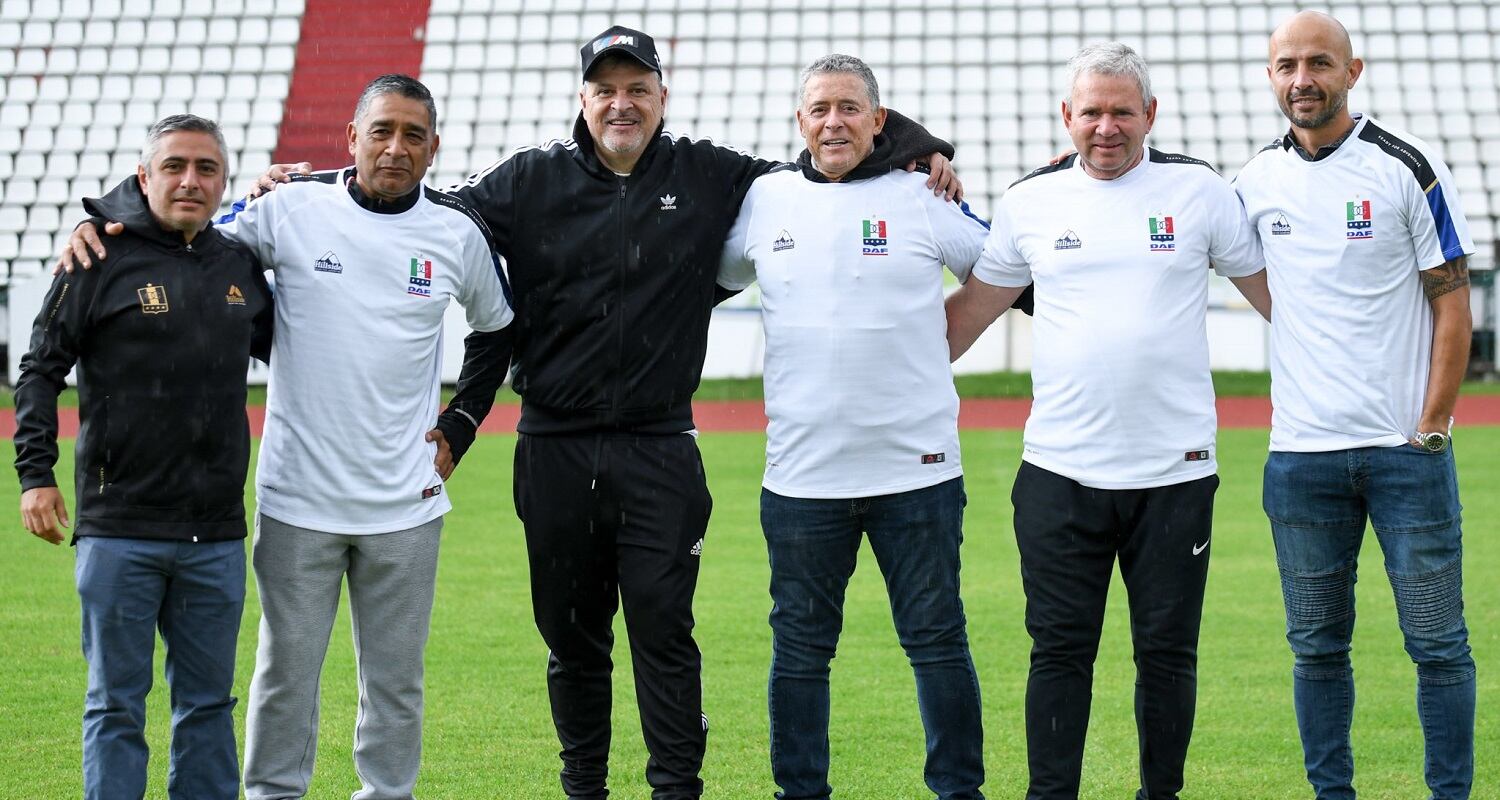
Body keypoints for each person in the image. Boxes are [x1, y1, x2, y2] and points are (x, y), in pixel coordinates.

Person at [60, 27, 956, 799]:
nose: (621, 104)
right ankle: (584, 788)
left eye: (637, 89)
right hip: (553, 445)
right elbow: (399, 195)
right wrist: (288, 183)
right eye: (604, 90)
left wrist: (918, 147)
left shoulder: (720, 178)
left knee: (664, 634)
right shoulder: (525, 181)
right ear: (582, 98)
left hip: (658, 445)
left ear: (661, 97)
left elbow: (826, 160)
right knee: (570, 642)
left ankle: (676, 788)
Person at [62, 75, 515, 799]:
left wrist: (460, 422)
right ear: (351, 139)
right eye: (381, 131)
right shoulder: (290, 211)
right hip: (298, 500)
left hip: (407, 506)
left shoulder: (455, 233)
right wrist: (103, 215)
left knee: (396, 685)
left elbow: (498, 328)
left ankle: (386, 793)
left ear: (435, 148)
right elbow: (183, 226)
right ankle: (273, 795)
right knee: (284, 677)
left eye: (413, 134)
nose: (395, 148)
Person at [945, 43, 1271, 800]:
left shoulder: (1200, 193)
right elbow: (964, 322)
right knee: (1059, 653)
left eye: (1123, 111)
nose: (1106, 127)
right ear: (1067, 116)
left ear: (1150, 114)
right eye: (1090, 112)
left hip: (1175, 474)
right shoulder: (1032, 202)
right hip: (1061, 474)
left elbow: (1282, 304)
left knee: (1166, 654)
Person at [717, 54, 1009, 800]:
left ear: (880, 122)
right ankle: (800, 792)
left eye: (851, 108)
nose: (834, 122)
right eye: (820, 109)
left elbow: (1007, 269)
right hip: (802, 479)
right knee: (802, 651)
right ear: (800, 123)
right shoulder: (767, 200)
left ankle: (958, 790)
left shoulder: (920, 195)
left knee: (938, 642)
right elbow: (701, 283)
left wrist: (946, 338)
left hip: (917, 474)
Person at [1232, 12, 1476, 799]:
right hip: (1302, 462)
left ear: (1352, 70)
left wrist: (1432, 426)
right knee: (1315, 648)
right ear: (1271, 76)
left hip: (1408, 459)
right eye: (1286, 65)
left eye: (1318, 63)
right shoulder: (1251, 182)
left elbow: (1452, 300)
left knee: (1439, 645)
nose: (1301, 78)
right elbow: (1143, 187)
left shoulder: (1405, 165)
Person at [13, 114, 272, 800]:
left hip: (215, 533)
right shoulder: (97, 259)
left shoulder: (238, 265)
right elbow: (39, 370)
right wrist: (34, 475)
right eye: (175, 166)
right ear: (143, 177)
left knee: (209, 706)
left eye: (206, 169)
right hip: (118, 527)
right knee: (115, 706)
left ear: (222, 182)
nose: (190, 180)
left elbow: (301, 354)